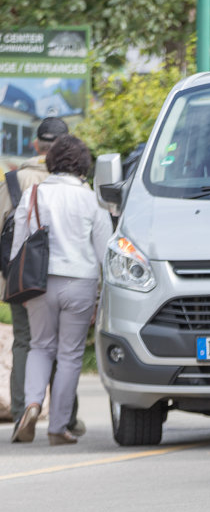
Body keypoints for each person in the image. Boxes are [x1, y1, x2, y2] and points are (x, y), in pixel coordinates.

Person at [10, 135, 113, 445]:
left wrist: (21, 289)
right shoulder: (89, 198)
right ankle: (58, 427)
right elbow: (104, 252)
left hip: (40, 283)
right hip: (79, 283)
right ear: (82, 164)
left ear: (51, 161)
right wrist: (101, 294)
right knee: (69, 356)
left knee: (40, 346)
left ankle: (31, 404)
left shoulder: (33, 194)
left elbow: (18, 246)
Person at [0, 117, 84, 436]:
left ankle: (23, 411)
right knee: (64, 345)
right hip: (66, 276)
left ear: (35, 145)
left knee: (26, 342)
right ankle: (67, 418)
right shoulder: (76, 183)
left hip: (21, 279)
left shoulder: (11, 181)